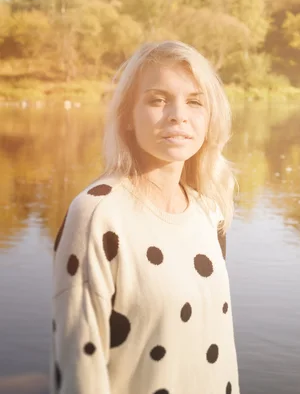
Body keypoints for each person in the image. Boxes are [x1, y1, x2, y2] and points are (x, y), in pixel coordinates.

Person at [50, 40, 239, 394]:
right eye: (157, 100)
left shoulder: (207, 213)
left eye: (195, 101)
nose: (178, 115)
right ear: (128, 118)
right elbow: (81, 369)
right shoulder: (97, 214)